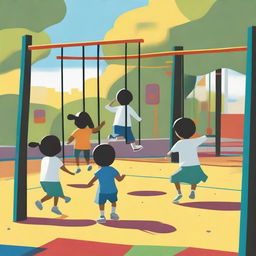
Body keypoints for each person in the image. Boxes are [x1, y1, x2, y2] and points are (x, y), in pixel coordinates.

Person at [29, 135, 76, 215]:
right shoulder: (56, 160)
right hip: (53, 181)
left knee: (55, 194)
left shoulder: (44, 159)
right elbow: (64, 169)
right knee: (53, 194)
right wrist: (71, 173)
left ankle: (55, 207)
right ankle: (40, 201)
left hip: (43, 181)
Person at [167, 117, 208, 203]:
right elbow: (204, 137)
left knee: (174, 178)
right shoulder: (194, 141)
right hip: (195, 166)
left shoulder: (179, 143)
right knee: (195, 179)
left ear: (177, 133)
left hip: (184, 166)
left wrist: (168, 153)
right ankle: (192, 191)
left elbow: (172, 151)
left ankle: (179, 193)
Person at [86, 144, 125, 223]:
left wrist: (89, 184)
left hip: (103, 192)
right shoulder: (113, 169)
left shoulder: (99, 171)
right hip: (113, 190)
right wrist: (123, 176)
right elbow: (119, 179)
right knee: (113, 202)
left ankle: (102, 216)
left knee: (101, 204)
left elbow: (90, 182)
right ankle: (113, 213)